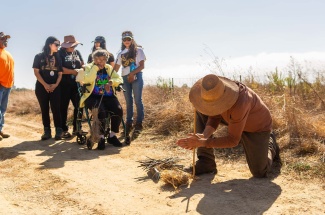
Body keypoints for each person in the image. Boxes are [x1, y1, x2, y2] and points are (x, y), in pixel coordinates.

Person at [176, 74, 281, 178]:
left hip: (256, 127)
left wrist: (203, 143)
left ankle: (271, 143)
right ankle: (206, 163)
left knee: (259, 172)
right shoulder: (218, 94)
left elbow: (233, 140)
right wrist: (204, 135)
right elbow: (214, 115)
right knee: (202, 111)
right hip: (234, 120)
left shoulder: (241, 101)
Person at [76, 49, 123, 149]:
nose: (100, 62)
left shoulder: (109, 68)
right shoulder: (88, 67)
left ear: (106, 60)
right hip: (92, 97)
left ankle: (112, 135)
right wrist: (95, 69)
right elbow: (87, 79)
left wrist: (111, 83)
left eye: (103, 60)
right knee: (101, 110)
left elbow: (119, 79)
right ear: (93, 59)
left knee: (118, 109)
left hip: (109, 96)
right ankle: (101, 137)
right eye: (97, 59)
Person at [113, 31, 146, 143]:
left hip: (136, 75)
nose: (127, 41)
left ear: (132, 39)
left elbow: (142, 66)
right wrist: (109, 79)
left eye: (129, 39)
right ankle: (129, 122)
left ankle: (139, 123)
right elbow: (116, 69)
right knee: (128, 101)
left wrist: (132, 73)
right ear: (122, 41)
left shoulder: (138, 50)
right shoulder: (120, 53)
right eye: (124, 39)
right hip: (125, 77)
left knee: (138, 99)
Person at [33, 36, 63, 140]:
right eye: (56, 44)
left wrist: (55, 85)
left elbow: (60, 73)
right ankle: (47, 131)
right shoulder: (38, 56)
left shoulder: (58, 57)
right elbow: (36, 72)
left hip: (55, 87)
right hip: (42, 87)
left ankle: (59, 131)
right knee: (44, 109)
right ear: (49, 44)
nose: (58, 47)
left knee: (56, 108)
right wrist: (45, 85)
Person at [58, 35, 84, 138]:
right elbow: (60, 68)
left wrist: (83, 68)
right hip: (63, 84)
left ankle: (77, 127)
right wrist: (73, 72)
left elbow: (82, 64)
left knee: (79, 105)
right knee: (63, 107)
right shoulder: (59, 54)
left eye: (74, 45)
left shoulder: (77, 53)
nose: (73, 47)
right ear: (65, 46)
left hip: (76, 84)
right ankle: (63, 129)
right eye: (71, 46)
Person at [0, 32, 14, 141]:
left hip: (8, 85)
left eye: (6, 39)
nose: (5, 40)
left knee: (3, 109)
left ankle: (0, 129)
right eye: (3, 39)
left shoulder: (7, 53)